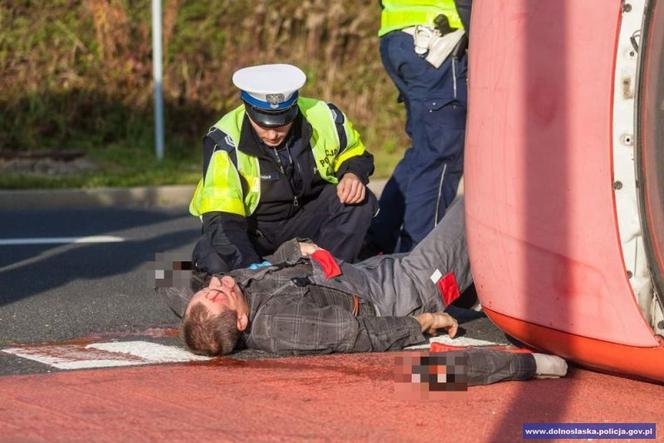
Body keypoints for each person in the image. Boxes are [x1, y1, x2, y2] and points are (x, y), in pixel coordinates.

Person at [170, 198, 566, 384]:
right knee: (476, 204)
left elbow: (176, 284)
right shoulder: (284, 323)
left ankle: (482, 281)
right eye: (217, 294)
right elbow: (357, 334)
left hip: (370, 272)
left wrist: (296, 250)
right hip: (405, 289)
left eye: (205, 291)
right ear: (240, 321)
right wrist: (419, 323)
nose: (217, 284)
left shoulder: (229, 300)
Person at [189, 63, 377, 274]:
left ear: (294, 108)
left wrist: (352, 174)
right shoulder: (224, 142)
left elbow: (355, 152)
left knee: (359, 201)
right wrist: (253, 269)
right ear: (247, 108)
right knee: (216, 258)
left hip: (304, 220)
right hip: (253, 230)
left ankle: (326, 276)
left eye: (281, 124)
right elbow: (222, 220)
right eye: (264, 124)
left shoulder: (323, 116)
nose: (272, 134)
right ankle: (268, 277)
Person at [363, 0, 472, 255]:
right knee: (441, 155)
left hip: (400, 37)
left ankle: (378, 242)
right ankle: (421, 255)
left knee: (424, 150)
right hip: (436, 41)